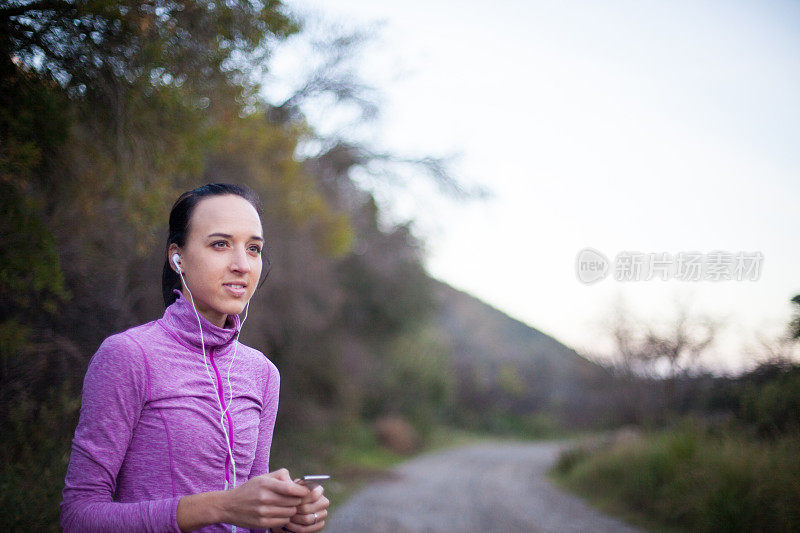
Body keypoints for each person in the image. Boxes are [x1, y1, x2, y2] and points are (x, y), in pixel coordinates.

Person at [61, 183, 329, 532]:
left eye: (253, 248)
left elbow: (248, 518)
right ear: (178, 257)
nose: (242, 265)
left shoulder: (263, 373)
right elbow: (78, 516)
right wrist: (221, 506)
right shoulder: (129, 356)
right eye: (220, 244)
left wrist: (281, 518)